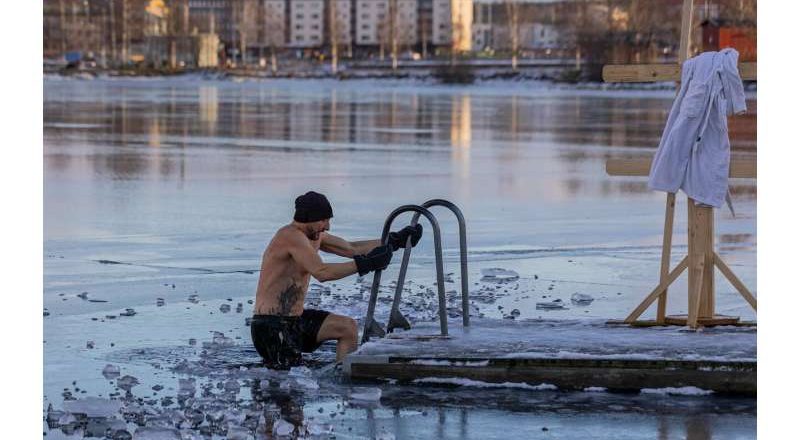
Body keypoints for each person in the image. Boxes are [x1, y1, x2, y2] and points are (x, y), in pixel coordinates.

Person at [251, 191, 423, 368]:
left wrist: (394, 241)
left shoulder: (315, 236)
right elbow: (322, 272)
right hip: (270, 327)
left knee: (347, 327)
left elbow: (352, 248)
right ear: (309, 217)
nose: (327, 226)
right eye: (324, 220)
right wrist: (367, 264)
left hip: (296, 320)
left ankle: (344, 377)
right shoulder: (289, 236)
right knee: (291, 380)